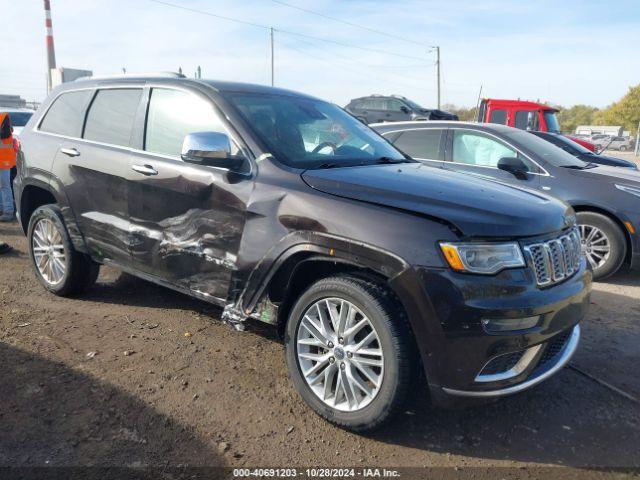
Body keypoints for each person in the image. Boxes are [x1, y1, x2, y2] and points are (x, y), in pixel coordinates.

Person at [0, 112, 17, 222]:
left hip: (2, 162)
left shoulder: (4, 134)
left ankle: (8, 211)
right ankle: (5, 209)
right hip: (6, 163)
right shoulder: (8, 133)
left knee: (4, 186)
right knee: (4, 186)